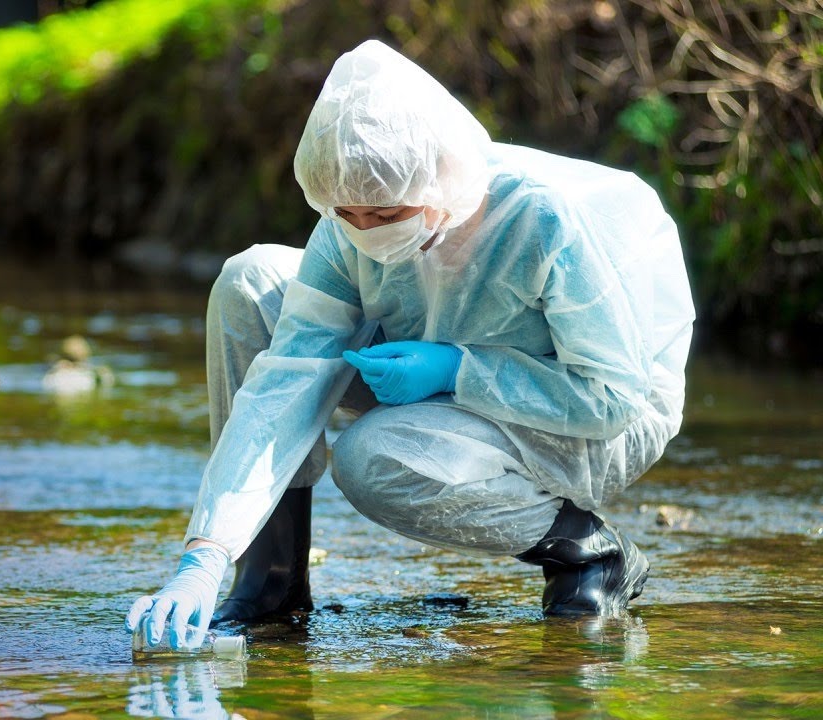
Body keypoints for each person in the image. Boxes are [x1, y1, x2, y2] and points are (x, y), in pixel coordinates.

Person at [126, 40, 693, 649]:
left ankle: (586, 551)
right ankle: (271, 579)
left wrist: (459, 370)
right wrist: (204, 553)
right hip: (426, 355)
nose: (366, 232)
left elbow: (611, 397)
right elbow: (285, 378)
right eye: (348, 213)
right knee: (252, 280)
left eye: (386, 213)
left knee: (371, 458)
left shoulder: (541, 221)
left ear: (439, 182)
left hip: (588, 414)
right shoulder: (349, 223)